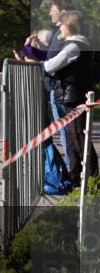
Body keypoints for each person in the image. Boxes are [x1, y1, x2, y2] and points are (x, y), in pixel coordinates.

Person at [42, 10, 96, 187]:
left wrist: (41, 65)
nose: (60, 29)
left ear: (68, 26)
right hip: (73, 96)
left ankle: (90, 177)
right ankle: (76, 176)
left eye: (62, 25)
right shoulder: (79, 44)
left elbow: (51, 65)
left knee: (79, 138)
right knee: (75, 138)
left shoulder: (74, 46)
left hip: (73, 97)